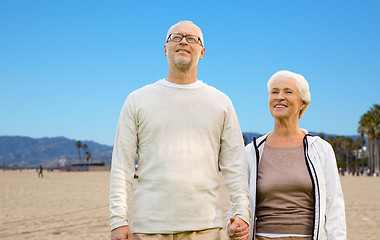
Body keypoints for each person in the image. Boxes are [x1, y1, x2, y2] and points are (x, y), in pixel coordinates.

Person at [110, 20, 251, 240]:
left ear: (202, 52)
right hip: (149, 227)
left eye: (192, 38)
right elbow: (122, 166)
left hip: (205, 227)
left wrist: (242, 212)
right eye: (175, 37)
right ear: (165, 49)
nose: (183, 41)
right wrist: (118, 220)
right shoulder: (137, 100)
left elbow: (235, 165)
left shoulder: (221, 102)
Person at [228, 70, 346, 240]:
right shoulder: (252, 151)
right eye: (274, 92)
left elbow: (334, 208)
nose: (279, 97)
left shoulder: (321, 149)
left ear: (303, 103)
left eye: (288, 92)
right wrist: (233, 226)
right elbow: (237, 201)